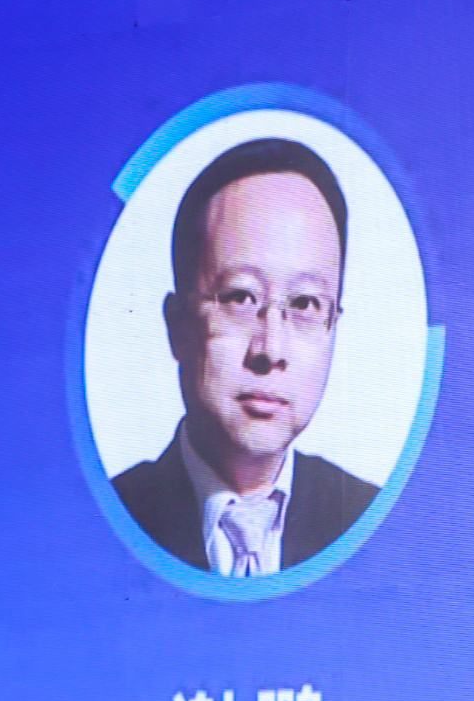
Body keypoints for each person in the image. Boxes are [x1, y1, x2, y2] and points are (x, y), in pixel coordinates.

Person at [111, 138, 378, 575]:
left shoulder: (369, 520)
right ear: (177, 325)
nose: (271, 350)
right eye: (240, 298)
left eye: (306, 303)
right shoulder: (109, 521)